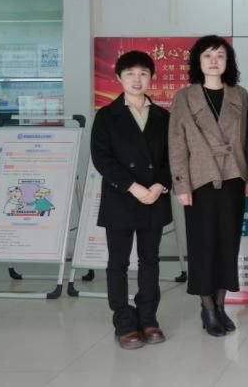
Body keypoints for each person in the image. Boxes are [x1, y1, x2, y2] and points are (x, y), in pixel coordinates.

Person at [169, 35, 248, 338]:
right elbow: (177, 143)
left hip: (233, 178)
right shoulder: (184, 97)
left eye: (220, 55)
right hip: (200, 180)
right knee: (203, 245)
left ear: (228, 61)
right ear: (198, 61)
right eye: (207, 55)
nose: (214, 61)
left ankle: (220, 305)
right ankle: (207, 308)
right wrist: (181, 184)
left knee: (228, 245)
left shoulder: (240, 94)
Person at [91, 50, 172, 349]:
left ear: (152, 77)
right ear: (119, 78)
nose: (137, 80)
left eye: (143, 74)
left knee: (150, 261)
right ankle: (124, 322)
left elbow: (173, 157)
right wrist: (133, 187)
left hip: (155, 197)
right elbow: (102, 158)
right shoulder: (106, 116)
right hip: (121, 199)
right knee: (118, 262)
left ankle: (148, 319)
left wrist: (160, 185)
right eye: (130, 74)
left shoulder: (164, 116)